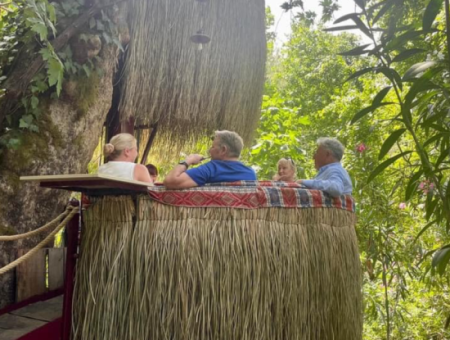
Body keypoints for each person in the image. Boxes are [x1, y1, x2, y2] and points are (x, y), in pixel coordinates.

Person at [163, 130, 256, 189]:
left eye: (212, 147)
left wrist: (188, 161)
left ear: (223, 150)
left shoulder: (210, 169)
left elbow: (170, 181)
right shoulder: (251, 174)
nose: (209, 151)